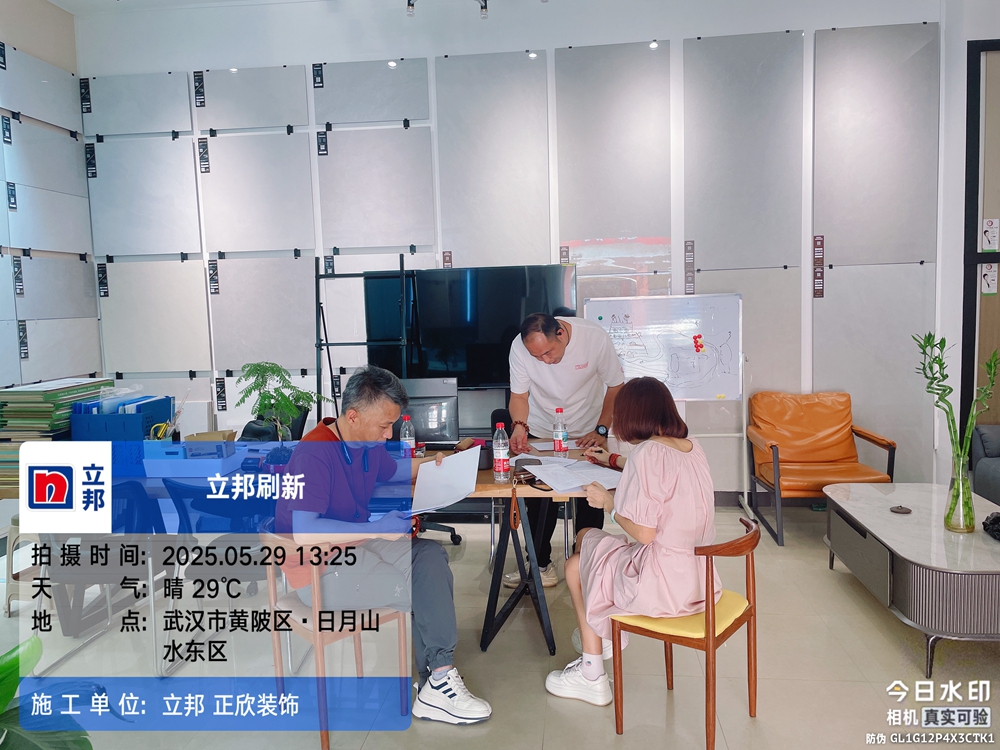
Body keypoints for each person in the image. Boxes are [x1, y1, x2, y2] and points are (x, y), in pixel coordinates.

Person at [275, 366, 492, 725]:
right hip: (319, 571)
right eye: (384, 425)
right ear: (353, 416)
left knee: (430, 557)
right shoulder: (314, 453)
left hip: (357, 547)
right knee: (422, 587)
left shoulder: (363, 444)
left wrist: (440, 462)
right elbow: (305, 531)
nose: (389, 434)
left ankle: (435, 682)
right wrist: (376, 527)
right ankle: (439, 679)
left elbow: (396, 471)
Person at [544, 377, 721, 706]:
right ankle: (597, 639)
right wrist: (611, 460)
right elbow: (658, 468)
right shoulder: (691, 446)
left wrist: (608, 504)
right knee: (588, 549)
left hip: (662, 586)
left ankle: (592, 671)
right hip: (700, 581)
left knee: (578, 559)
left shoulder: (647, 453)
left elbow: (644, 533)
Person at [497, 312, 625, 589]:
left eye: (548, 353)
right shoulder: (519, 347)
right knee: (537, 496)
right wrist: (519, 427)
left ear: (561, 334)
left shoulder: (593, 337)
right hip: (543, 430)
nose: (545, 361)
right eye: (537, 357)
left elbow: (616, 386)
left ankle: (587, 563)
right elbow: (519, 395)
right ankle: (539, 563)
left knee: (590, 497)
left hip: (588, 432)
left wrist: (602, 429)